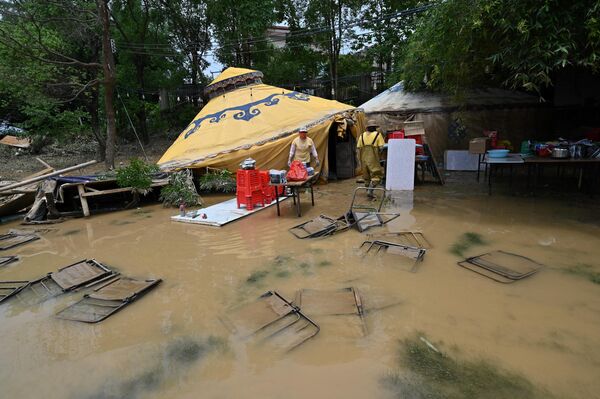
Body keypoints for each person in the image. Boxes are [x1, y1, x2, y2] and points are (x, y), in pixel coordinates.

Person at [357, 119, 385, 198]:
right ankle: (371, 190)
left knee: (366, 176)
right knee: (377, 175)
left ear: (368, 127)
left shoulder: (362, 136)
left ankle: (369, 193)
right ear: (374, 127)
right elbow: (381, 147)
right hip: (373, 158)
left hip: (363, 159)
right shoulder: (377, 135)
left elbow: (359, 147)